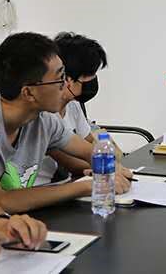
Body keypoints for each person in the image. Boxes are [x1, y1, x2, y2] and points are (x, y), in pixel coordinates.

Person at [0, 32, 133, 213]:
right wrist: (86, 186)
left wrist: (112, 169)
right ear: (29, 93)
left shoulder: (44, 119)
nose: (65, 86)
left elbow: (91, 153)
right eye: (60, 79)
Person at [36, 32, 122, 186]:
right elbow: (74, 164)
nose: (93, 79)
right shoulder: (44, 114)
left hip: (70, 183)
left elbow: (91, 144)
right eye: (90, 74)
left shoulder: (73, 105)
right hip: (46, 189)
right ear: (67, 78)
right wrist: (107, 165)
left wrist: (110, 159)